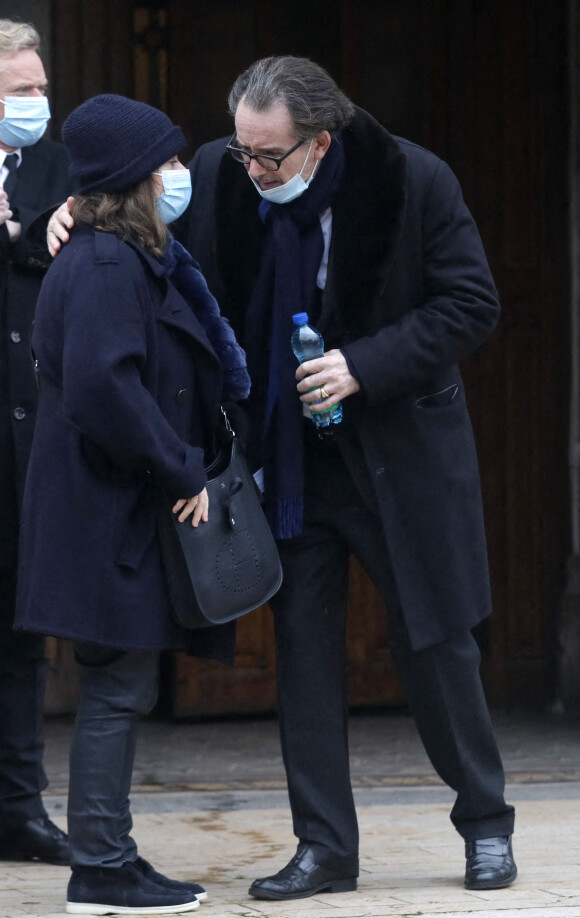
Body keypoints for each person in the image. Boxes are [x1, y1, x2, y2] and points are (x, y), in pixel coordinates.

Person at [47, 56, 517, 898]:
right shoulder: (225, 183)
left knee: (437, 645)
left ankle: (485, 823)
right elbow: (144, 239)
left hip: (397, 451)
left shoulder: (414, 179)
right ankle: (325, 847)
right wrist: (73, 213)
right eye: (243, 151)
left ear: (319, 142)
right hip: (290, 461)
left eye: (270, 156)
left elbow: (470, 303)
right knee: (302, 655)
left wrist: (363, 366)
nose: (252, 169)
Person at [15, 93, 250, 915]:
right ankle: (103, 871)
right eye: (169, 161)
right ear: (133, 175)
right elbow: (105, 389)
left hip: (106, 507)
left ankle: (109, 858)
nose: (179, 175)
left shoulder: (115, 254)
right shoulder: (110, 263)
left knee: (120, 684)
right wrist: (183, 471)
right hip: (106, 510)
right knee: (117, 688)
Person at [0, 18, 72, 865]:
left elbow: (75, 256)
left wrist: (19, 236)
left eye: (39, 88)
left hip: (30, 439)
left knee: (20, 641)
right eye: (20, 91)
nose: (36, 104)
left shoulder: (62, 167)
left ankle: (20, 809)